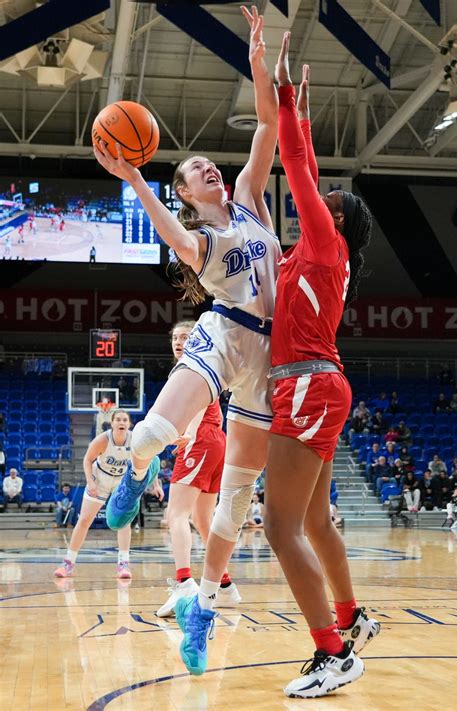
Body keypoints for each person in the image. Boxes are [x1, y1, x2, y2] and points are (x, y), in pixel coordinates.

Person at [94, 5, 279, 674]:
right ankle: (135, 469)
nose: (214, 173)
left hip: (269, 360)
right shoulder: (199, 239)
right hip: (225, 333)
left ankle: (201, 604)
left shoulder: (255, 201)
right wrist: (137, 179)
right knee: (155, 431)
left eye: (212, 168)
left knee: (234, 502)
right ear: (187, 194)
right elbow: (173, 238)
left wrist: (257, 57)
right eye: (200, 173)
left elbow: (266, 125)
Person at [259, 39, 377, 698]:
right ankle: (350, 616)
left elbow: (297, 164)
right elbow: (303, 161)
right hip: (318, 381)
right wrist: (297, 110)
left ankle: (331, 652)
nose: (316, 196)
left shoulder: (325, 242)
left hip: (306, 383)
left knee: (281, 526)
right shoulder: (321, 252)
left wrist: (283, 98)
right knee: (312, 522)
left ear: (332, 217)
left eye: (326, 198)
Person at [156, 321, 240, 618]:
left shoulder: (193, 366)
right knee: (203, 518)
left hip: (203, 438)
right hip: (216, 441)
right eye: (176, 337)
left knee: (175, 514)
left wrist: (190, 433)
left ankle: (184, 583)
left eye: (186, 336)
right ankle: (226, 586)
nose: (179, 341)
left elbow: (202, 403)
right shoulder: (198, 365)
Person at [54, 410, 163, 579]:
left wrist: (156, 485)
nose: (121, 422)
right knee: (84, 520)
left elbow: (150, 460)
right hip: (101, 480)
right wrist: (90, 482)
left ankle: (123, 563)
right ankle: (68, 562)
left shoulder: (135, 440)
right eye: (118, 419)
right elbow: (87, 459)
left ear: (129, 424)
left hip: (122, 483)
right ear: (112, 423)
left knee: (123, 521)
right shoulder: (103, 440)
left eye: (124, 420)